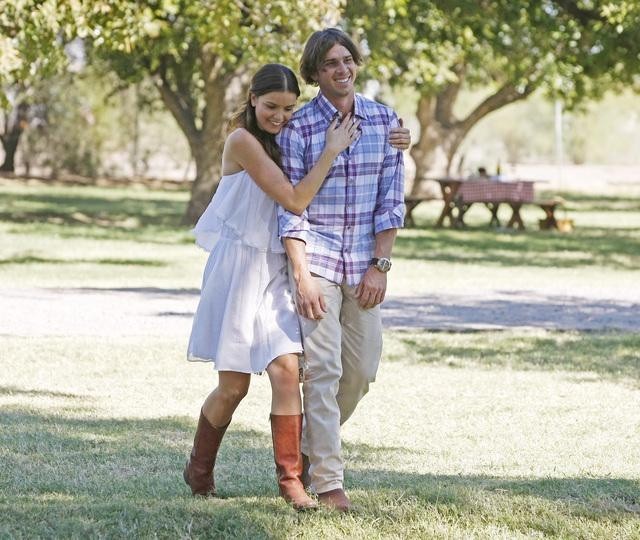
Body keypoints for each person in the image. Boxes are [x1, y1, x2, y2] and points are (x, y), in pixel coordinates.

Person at [183, 63, 410, 510]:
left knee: (288, 371)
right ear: (252, 99)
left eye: (289, 108)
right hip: (240, 270)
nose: (281, 116)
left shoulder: (288, 135)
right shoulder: (242, 141)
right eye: (271, 106)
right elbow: (294, 199)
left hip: (279, 267)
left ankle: (291, 482)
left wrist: (398, 138)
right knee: (233, 387)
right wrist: (330, 150)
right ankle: (199, 467)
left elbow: (361, 141)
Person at [277, 28, 405, 512]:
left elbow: (391, 202)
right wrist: (302, 275)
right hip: (319, 261)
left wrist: (380, 266)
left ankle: (305, 452)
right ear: (315, 72)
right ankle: (329, 482)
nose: (342, 69)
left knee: (362, 371)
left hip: (364, 265)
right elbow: (290, 211)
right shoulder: (299, 128)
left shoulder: (385, 121)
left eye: (347, 59)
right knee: (323, 370)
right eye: (330, 63)